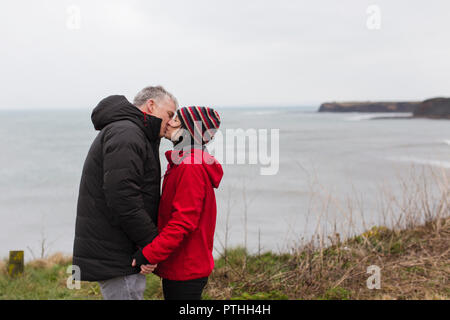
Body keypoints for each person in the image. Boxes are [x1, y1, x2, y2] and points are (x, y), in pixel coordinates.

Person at [72, 86, 177, 300]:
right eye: (169, 114)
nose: (171, 122)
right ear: (151, 105)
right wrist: (152, 244)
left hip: (120, 249)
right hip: (118, 254)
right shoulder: (127, 133)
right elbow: (123, 198)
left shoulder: (133, 132)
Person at [132, 106, 223, 300]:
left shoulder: (190, 167)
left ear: (189, 130)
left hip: (186, 267)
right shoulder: (185, 162)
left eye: (176, 119)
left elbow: (182, 222)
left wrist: (150, 253)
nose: (169, 122)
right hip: (182, 264)